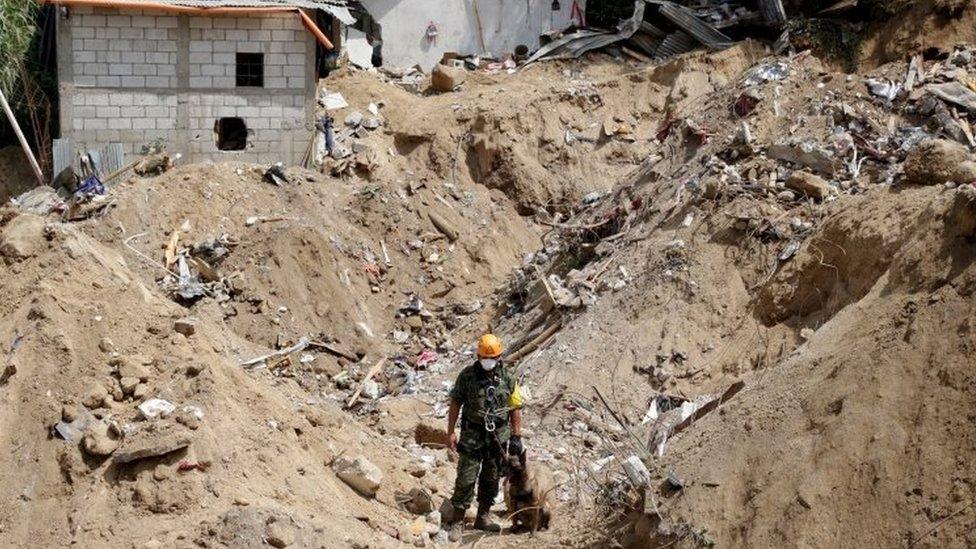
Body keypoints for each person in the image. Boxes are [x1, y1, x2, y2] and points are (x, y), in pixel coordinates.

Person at [443, 334, 523, 539]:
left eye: (493, 357)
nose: (488, 361)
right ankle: (457, 520)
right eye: (484, 357)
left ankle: (483, 516)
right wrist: (451, 431)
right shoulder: (467, 376)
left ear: (499, 356)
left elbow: (515, 407)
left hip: (498, 437)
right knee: (466, 477)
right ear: (478, 356)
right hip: (472, 435)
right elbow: (455, 403)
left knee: (492, 478)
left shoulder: (508, 378)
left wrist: (516, 436)